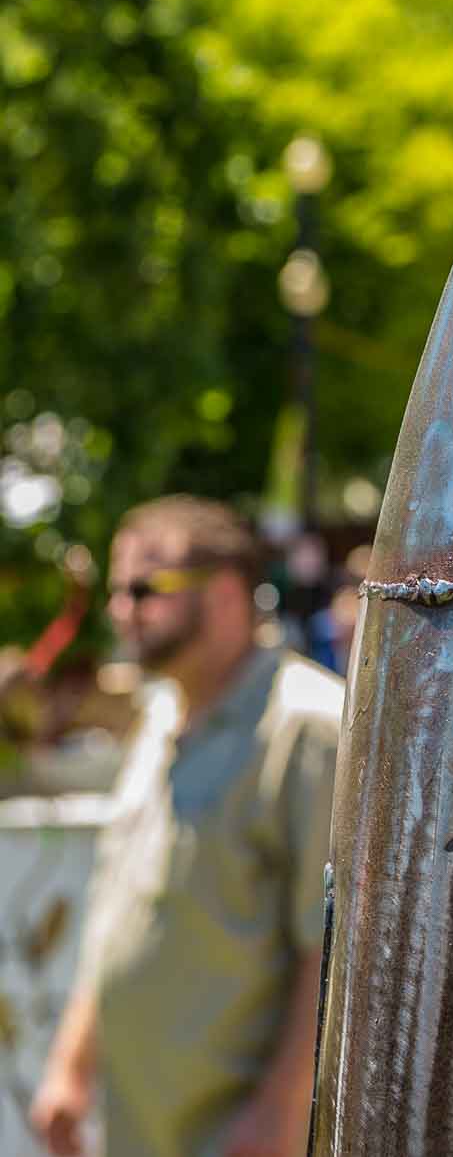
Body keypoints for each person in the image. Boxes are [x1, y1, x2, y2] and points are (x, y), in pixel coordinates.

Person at [28, 496, 343, 1157]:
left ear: (227, 593)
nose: (120, 611)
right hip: (138, 1128)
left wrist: (277, 1117)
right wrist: (70, 1062)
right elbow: (118, 909)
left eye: (145, 589)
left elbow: (333, 951)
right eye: (116, 590)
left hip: (237, 1138)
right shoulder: (161, 713)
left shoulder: (309, 727)